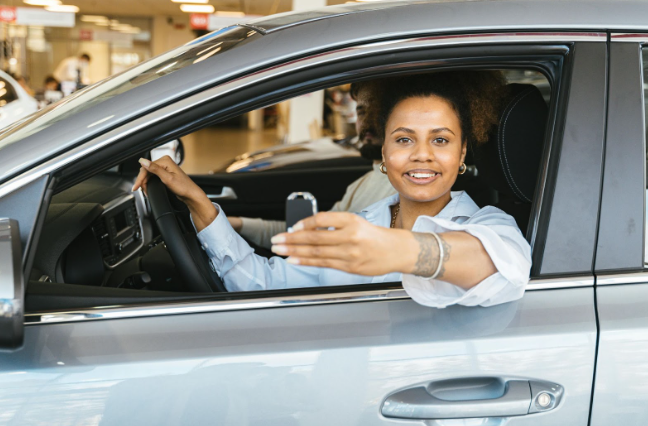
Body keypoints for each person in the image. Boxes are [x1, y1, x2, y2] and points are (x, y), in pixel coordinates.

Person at [133, 71, 531, 308]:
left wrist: (398, 249)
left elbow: (503, 265)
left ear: (463, 152)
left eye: (440, 140)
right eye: (404, 139)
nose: (422, 155)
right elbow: (262, 283)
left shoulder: (488, 225)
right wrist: (198, 203)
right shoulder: (363, 221)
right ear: (384, 151)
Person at [228, 79, 397, 249]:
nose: (367, 123)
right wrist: (239, 224)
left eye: (377, 112)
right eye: (361, 112)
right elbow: (311, 234)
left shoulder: (399, 190)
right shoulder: (360, 185)